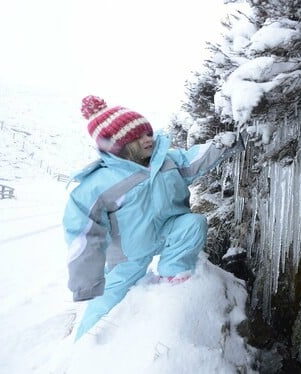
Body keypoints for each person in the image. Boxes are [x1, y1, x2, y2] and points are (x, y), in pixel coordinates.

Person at [63, 95, 243, 340]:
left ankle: (174, 276)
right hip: (129, 252)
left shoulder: (166, 160)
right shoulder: (99, 184)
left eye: (148, 132)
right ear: (120, 144)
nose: (149, 138)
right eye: (140, 136)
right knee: (108, 298)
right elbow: (83, 233)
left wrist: (222, 145)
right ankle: (83, 343)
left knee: (194, 223)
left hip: (170, 228)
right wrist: (86, 281)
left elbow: (196, 159)